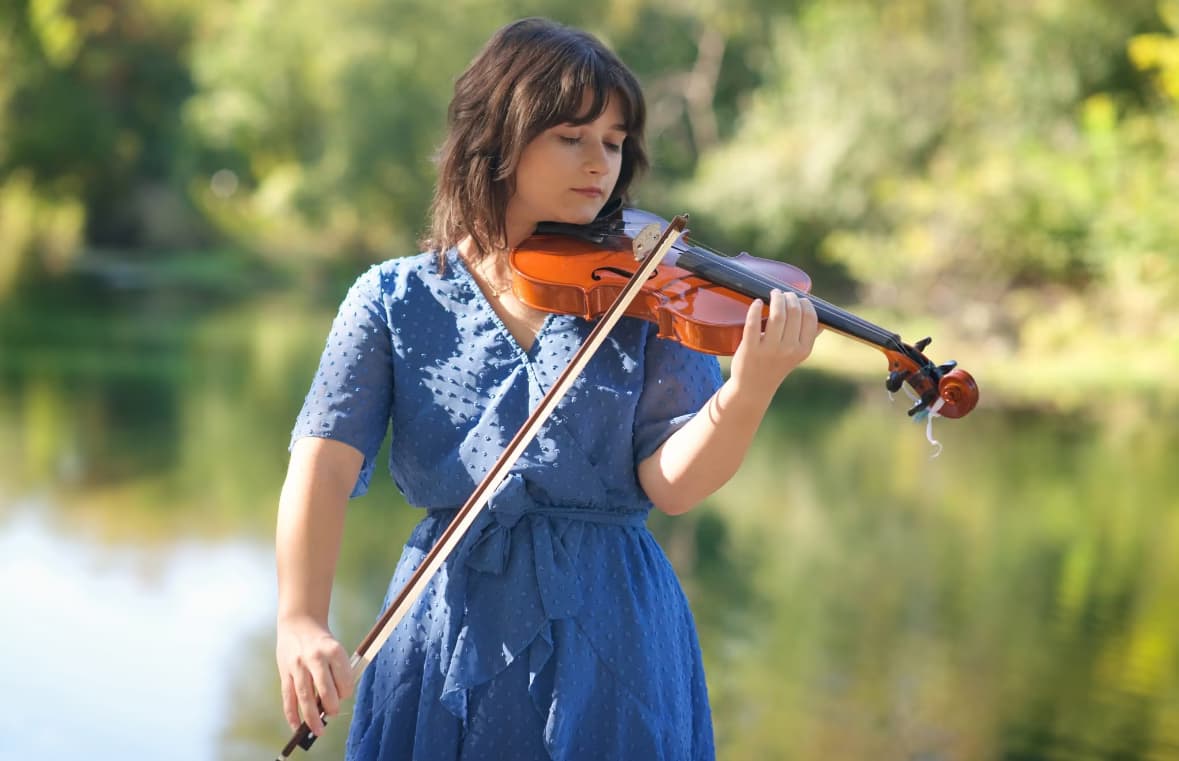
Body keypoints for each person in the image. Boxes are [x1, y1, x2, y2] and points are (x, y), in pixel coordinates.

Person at [275, 16, 819, 761]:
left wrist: (748, 392)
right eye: (571, 136)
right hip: (447, 629)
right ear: (497, 135)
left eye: (614, 140)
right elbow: (323, 463)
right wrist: (301, 619)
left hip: (613, 636)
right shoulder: (392, 298)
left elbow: (672, 483)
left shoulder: (647, 296)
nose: (599, 162)